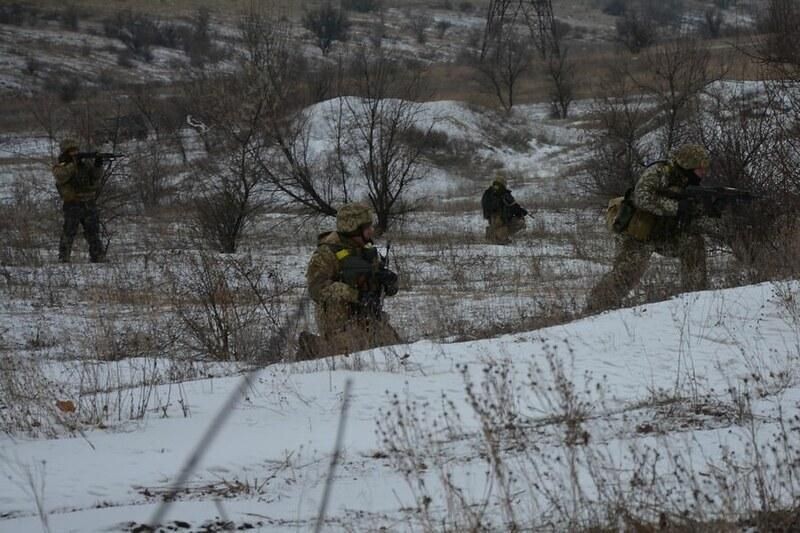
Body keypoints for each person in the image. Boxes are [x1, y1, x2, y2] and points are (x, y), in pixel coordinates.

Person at [586, 144, 712, 313]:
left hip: (663, 234)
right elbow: (642, 198)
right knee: (627, 274)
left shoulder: (688, 182)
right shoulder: (659, 173)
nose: (704, 173)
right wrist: (676, 207)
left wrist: (706, 209)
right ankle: (596, 307)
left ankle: (696, 298)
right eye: (700, 168)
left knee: (693, 243)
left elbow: (691, 214)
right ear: (688, 165)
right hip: (638, 234)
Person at [297, 203, 401, 360]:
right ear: (354, 229)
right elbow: (316, 289)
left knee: (396, 350)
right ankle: (313, 346)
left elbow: (379, 285)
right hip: (339, 322)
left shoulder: (366, 249)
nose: (371, 231)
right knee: (350, 355)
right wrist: (355, 295)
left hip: (370, 318)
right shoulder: (326, 253)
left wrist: (390, 282)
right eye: (367, 228)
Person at [52, 138, 106, 263]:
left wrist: (98, 165)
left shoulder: (85, 165)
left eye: (76, 150)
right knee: (69, 232)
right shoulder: (61, 167)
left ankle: (98, 257)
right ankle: (64, 258)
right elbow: (61, 176)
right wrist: (74, 163)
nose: (74, 153)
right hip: (73, 204)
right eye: (71, 151)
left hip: (88, 203)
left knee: (93, 232)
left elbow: (95, 177)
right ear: (65, 153)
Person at [481, 172, 528, 244]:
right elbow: (512, 206)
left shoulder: (489, 193)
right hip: (499, 218)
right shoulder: (499, 194)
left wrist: (519, 211)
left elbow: (513, 206)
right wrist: (519, 211)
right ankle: (498, 237)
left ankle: (495, 234)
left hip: (497, 218)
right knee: (519, 223)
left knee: (515, 223)